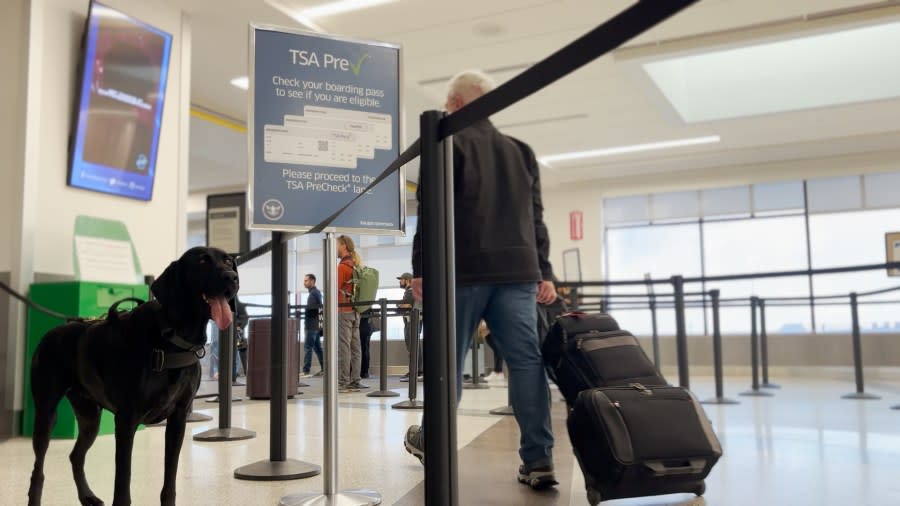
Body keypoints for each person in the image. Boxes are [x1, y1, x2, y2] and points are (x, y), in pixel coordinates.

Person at [404, 70, 558, 490]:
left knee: (447, 363)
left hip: (463, 270)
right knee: (526, 363)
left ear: (453, 103)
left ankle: (434, 447)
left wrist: (420, 268)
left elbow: (430, 210)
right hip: (518, 273)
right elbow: (536, 217)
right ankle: (540, 459)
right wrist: (545, 270)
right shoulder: (521, 151)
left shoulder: (446, 141)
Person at [337, 235, 364, 392]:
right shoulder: (355, 264)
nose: (334, 248)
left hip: (343, 311)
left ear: (344, 246)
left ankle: (343, 381)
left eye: (336, 245)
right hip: (356, 311)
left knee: (344, 347)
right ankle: (355, 379)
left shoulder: (342, 267)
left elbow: (335, 289)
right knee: (356, 347)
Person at [398, 272, 423, 381]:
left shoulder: (410, 291)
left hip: (412, 321)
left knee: (413, 346)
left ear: (407, 280)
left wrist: (398, 305)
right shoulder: (414, 290)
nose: (400, 281)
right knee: (414, 345)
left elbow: (406, 305)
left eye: (401, 279)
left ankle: (416, 371)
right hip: (414, 320)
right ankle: (416, 370)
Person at [301, 273, 325, 378]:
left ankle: (306, 370)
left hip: (311, 325)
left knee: (308, 347)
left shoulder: (314, 294)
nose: (304, 282)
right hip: (314, 325)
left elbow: (317, 309)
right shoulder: (315, 293)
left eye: (306, 280)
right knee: (317, 348)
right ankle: (325, 369)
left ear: (312, 281)